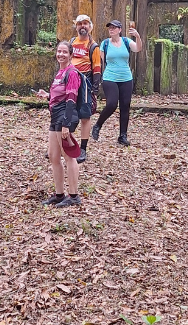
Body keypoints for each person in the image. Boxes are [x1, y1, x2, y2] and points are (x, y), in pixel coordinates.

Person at [36, 40, 82, 207]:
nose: (61, 54)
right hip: (55, 115)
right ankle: (59, 194)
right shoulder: (59, 73)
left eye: (64, 52)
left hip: (64, 116)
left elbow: (71, 99)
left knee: (69, 156)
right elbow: (58, 95)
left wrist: (66, 124)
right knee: (54, 156)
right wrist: (47, 96)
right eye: (59, 51)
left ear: (71, 55)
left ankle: (74, 196)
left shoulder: (72, 73)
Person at [91, 19, 143, 146]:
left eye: (114, 28)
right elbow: (103, 60)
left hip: (126, 78)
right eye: (110, 28)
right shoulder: (105, 43)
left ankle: (122, 136)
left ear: (120, 30)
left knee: (125, 106)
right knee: (112, 104)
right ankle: (97, 125)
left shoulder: (126, 41)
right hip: (110, 78)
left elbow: (137, 49)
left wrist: (137, 36)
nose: (111, 29)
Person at [70, 14, 102, 164]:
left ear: (90, 26)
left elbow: (96, 68)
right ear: (76, 26)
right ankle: (62, 145)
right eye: (79, 24)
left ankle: (83, 148)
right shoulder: (71, 42)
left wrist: (95, 89)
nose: (82, 26)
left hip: (85, 82)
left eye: (85, 23)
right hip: (70, 80)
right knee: (66, 112)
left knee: (85, 116)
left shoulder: (93, 46)